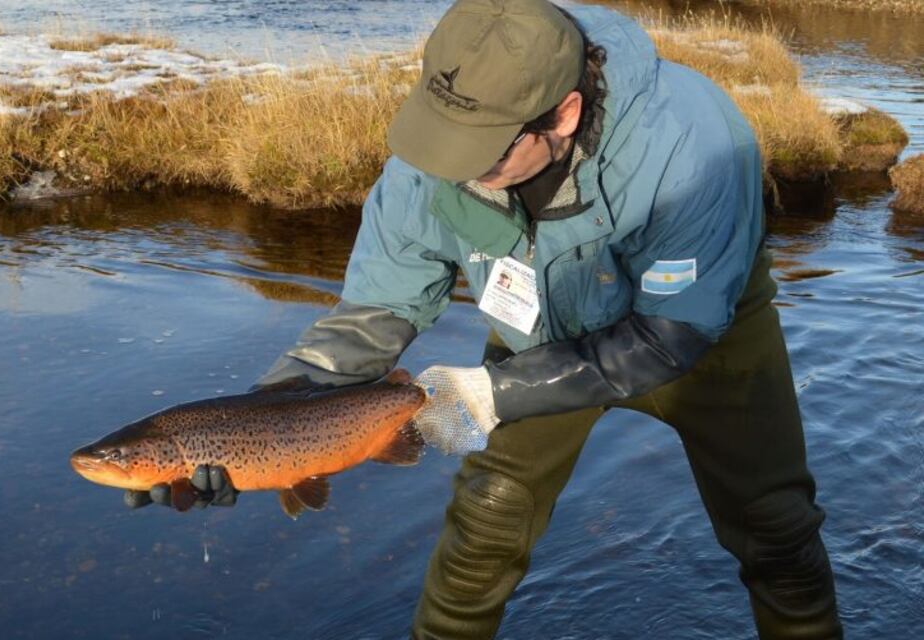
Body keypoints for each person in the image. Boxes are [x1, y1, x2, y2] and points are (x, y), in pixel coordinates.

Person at [128, 1, 843, 638]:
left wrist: (491, 393)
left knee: (775, 528)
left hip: (703, 331)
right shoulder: (437, 151)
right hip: (541, 326)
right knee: (487, 519)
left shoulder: (695, 148)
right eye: (445, 145)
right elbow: (383, 304)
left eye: (481, 154)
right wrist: (275, 410)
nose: (452, 171)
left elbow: (669, 336)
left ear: (562, 114)